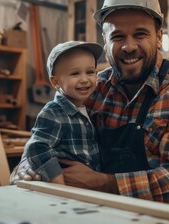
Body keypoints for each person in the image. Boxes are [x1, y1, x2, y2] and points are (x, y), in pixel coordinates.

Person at [11, 0, 169, 208]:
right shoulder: (93, 87)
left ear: (159, 36)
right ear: (105, 42)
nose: (128, 46)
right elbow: (47, 139)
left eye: (140, 34)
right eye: (117, 36)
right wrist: (26, 169)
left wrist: (102, 183)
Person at [11, 41, 104, 185]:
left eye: (90, 72)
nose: (84, 79)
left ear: (96, 74)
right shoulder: (53, 112)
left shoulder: (85, 108)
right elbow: (36, 147)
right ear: (55, 82)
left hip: (85, 189)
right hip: (64, 189)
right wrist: (58, 182)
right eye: (75, 73)